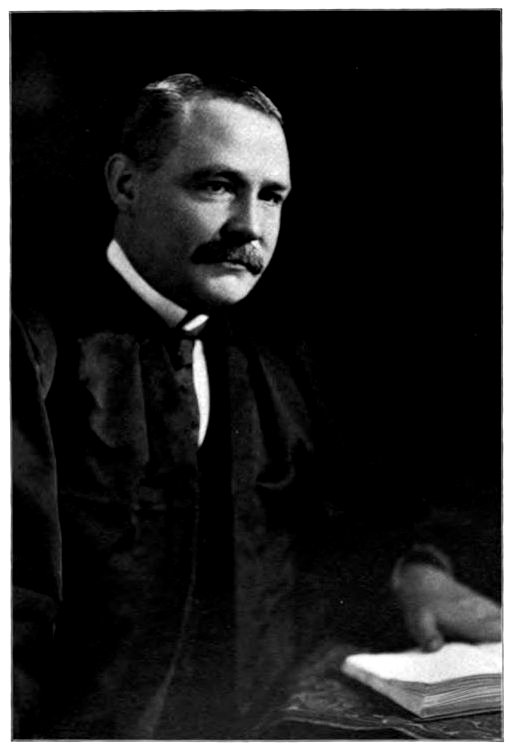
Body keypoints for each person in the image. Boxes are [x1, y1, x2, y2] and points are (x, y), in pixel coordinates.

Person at [12, 73, 501, 740]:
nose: (250, 227)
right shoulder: (31, 349)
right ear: (125, 185)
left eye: (271, 196)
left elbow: (333, 527)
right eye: (217, 186)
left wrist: (410, 573)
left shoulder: (266, 355)